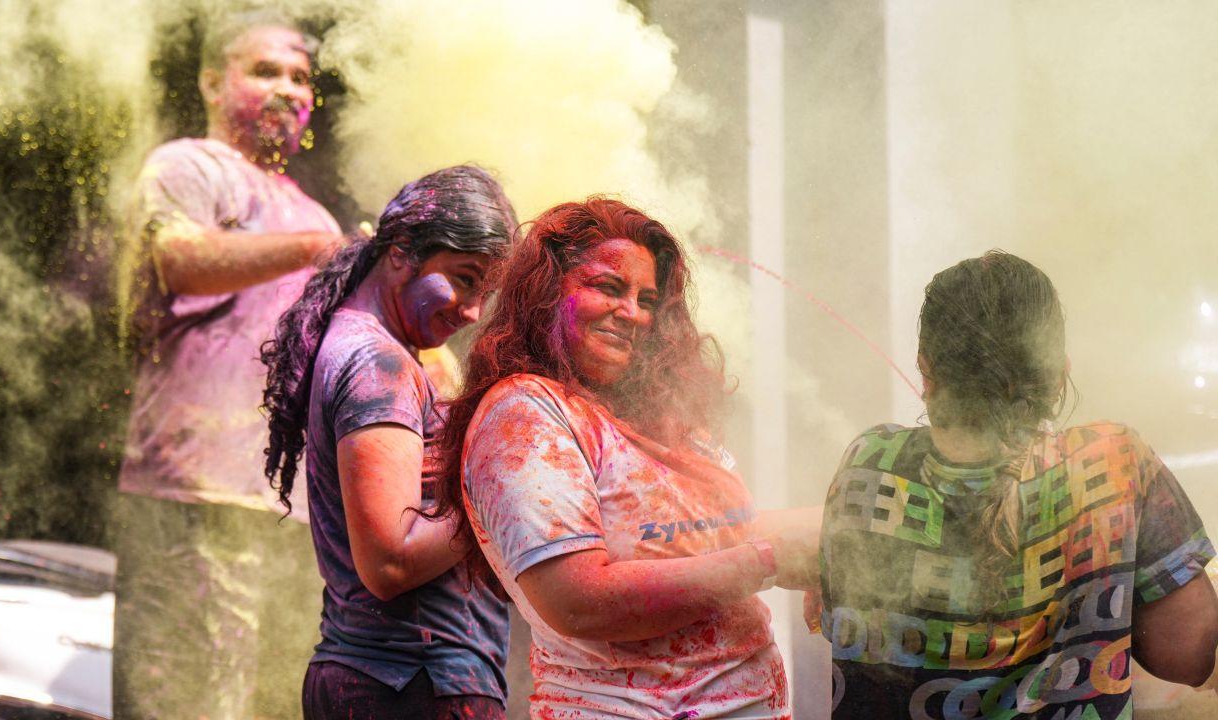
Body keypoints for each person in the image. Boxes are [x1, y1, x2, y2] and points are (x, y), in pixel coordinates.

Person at [430, 197, 819, 719]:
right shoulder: (524, 412)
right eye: (609, 288)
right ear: (548, 294)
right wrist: (767, 561)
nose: (633, 313)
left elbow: (710, 532)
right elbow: (578, 598)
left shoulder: (653, 412)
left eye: (647, 299)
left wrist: (832, 540)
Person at [818, 250, 1218, 719]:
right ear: (1058, 374)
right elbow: (1190, 653)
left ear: (926, 371)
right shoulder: (1111, 463)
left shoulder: (868, 464)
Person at [112, 11, 345, 719]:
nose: (288, 89)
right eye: (265, 70)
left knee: (272, 699)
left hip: (292, 508)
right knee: (185, 701)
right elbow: (180, 259)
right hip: (192, 489)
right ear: (214, 83)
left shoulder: (316, 215)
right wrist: (315, 252)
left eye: (300, 77)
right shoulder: (188, 164)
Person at [260, 165, 518, 719]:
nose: (473, 311)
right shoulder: (378, 363)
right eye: (465, 277)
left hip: (393, 681)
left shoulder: (376, 349)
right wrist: (501, 494)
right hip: (413, 684)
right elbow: (391, 564)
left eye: (485, 291)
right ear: (401, 251)